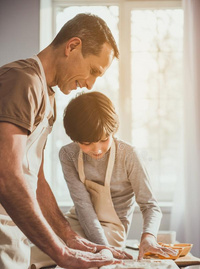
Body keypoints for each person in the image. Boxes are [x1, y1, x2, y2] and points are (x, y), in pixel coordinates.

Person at [0, 13, 131, 269]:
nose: (90, 84)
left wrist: (69, 237)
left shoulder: (48, 96)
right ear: (72, 46)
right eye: (93, 70)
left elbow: (35, 179)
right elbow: (7, 177)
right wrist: (60, 252)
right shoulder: (22, 80)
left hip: (15, 241)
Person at [59, 91, 178, 259]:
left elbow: (150, 205)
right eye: (87, 143)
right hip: (78, 219)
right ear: (75, 138)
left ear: (113, 131)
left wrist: (148, 237)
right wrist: (99, 249)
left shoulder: (129, 155)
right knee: (47, 246)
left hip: (112, 230)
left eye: (104, 139)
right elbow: (83, 206)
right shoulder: (67, 154)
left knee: (73, 252)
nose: (97, 149)